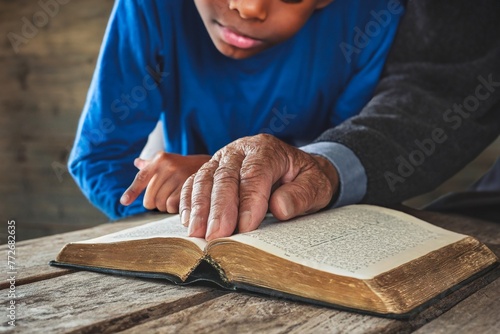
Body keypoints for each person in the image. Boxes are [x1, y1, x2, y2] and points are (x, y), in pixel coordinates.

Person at [68, 0, 405, 233]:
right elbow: (98, 158)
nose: (249, 7)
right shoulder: (153, 8)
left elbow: (344, 159)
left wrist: (228, 186)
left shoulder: (371, 16)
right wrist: (192, 194)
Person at [178, 0, 500, 239]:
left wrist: (322, 163)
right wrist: (325, 165)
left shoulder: (365, 25)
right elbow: (442, 81)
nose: (249, 8)